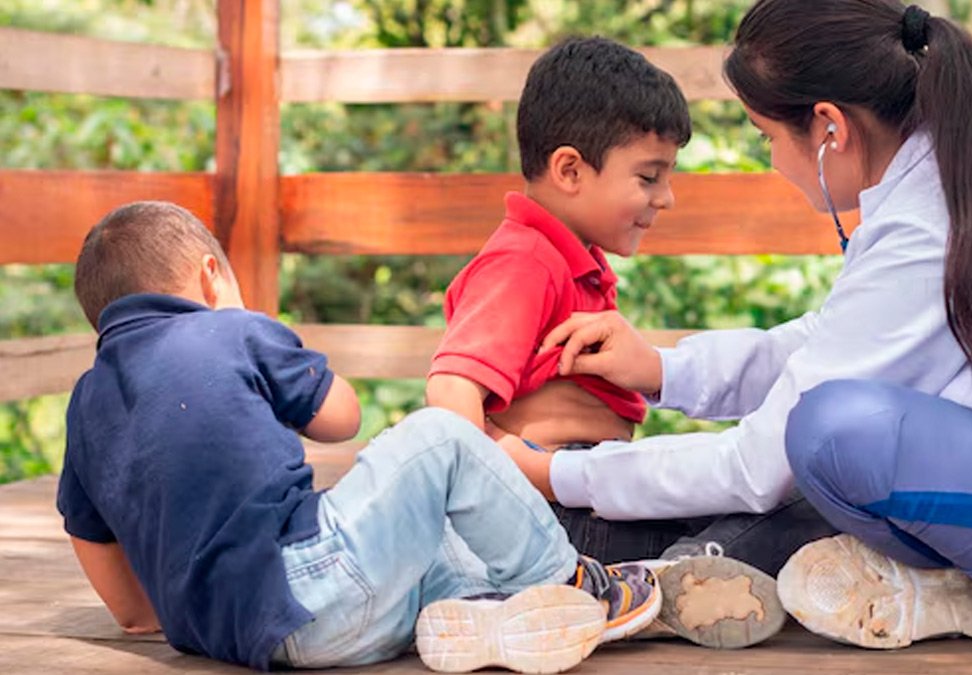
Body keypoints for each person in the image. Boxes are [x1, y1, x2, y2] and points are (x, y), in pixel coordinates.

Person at [506, 0, 972, 653]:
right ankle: (940, 587)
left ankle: (925, 583)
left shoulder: (932, 222)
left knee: (838, 433)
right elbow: (833, 339)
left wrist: (556, 472)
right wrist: (666, 369)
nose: (773, 160)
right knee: (832, 430)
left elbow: (758, 463)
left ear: (830, 127)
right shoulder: (966, 176)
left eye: (767, 136)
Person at [57, 201, 662, 674]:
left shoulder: (85, 406)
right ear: (210, 278)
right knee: (436, 440)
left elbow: (132, 613)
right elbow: (340, 417)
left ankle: (486, 614)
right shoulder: (232, 330)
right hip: (309, 584)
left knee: (425, 533)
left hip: (235, 639)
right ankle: (577, 589)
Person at [425, 37, 802, 649]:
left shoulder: (568, 263)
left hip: (575, 498)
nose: (665, 198)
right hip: (554, 518)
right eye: (648, 177)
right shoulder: (524, 261)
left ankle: (645, 585)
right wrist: (493, 509)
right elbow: (452, 387)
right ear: (570, 170)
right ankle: (650, 586)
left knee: (762, 504)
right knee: (780, 513)